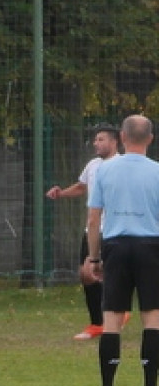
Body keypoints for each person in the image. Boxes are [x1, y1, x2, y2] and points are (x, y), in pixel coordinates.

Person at [83, 115, 159, 386]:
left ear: (123, 139)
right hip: (151, 246)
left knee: (112, 318)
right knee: (152, 317)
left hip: (115, 246)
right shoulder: (157, 171)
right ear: (150, 139)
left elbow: (93, 218)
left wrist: (94, 257)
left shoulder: (105, 171)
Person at [46, 124, 122, 340]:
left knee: (115, 276)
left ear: (115, 141)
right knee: (88, 275)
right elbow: (81, 187)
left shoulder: (122, 165)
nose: (96, 143)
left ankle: (117, 315)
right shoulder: (93, 165)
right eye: (95, 140)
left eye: (101, 139)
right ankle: (97, 323)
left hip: (116, 229)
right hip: (93, 229)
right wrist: (61, 193)